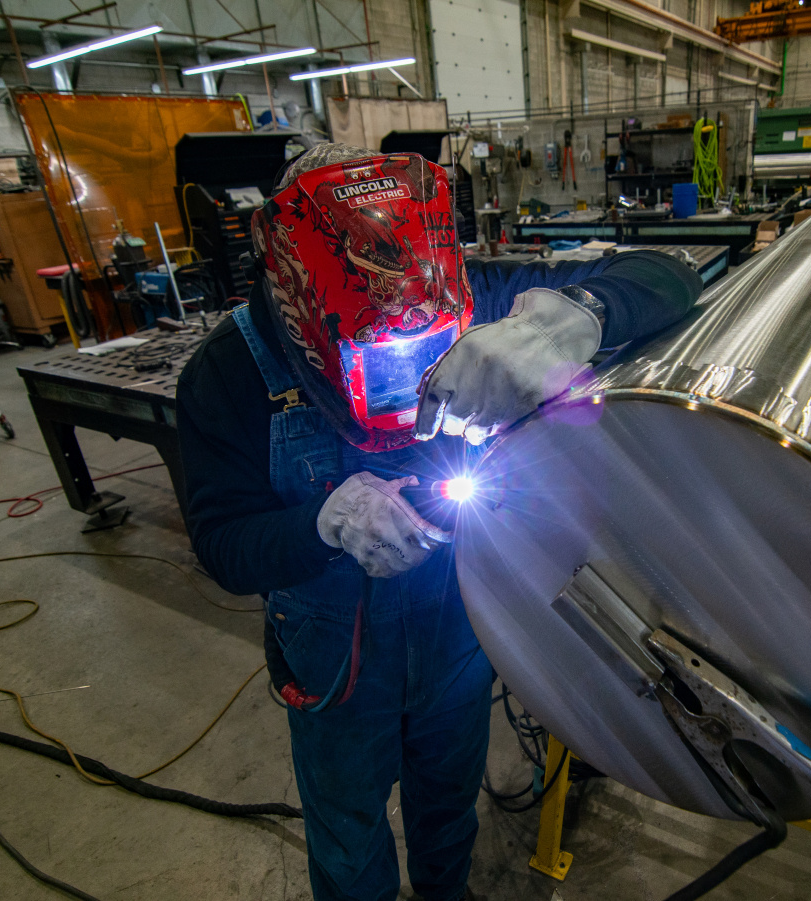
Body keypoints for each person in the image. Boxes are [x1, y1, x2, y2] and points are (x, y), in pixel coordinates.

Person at [176, 142, 703, 901]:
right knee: (349, 837)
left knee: (448, 807)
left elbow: (672, 275)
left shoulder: (471, 292)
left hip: (459, 628)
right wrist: (318, 525)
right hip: (336, 661)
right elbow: (221, 544)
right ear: (295, 291)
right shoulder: (227, 372)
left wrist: (576, 318)